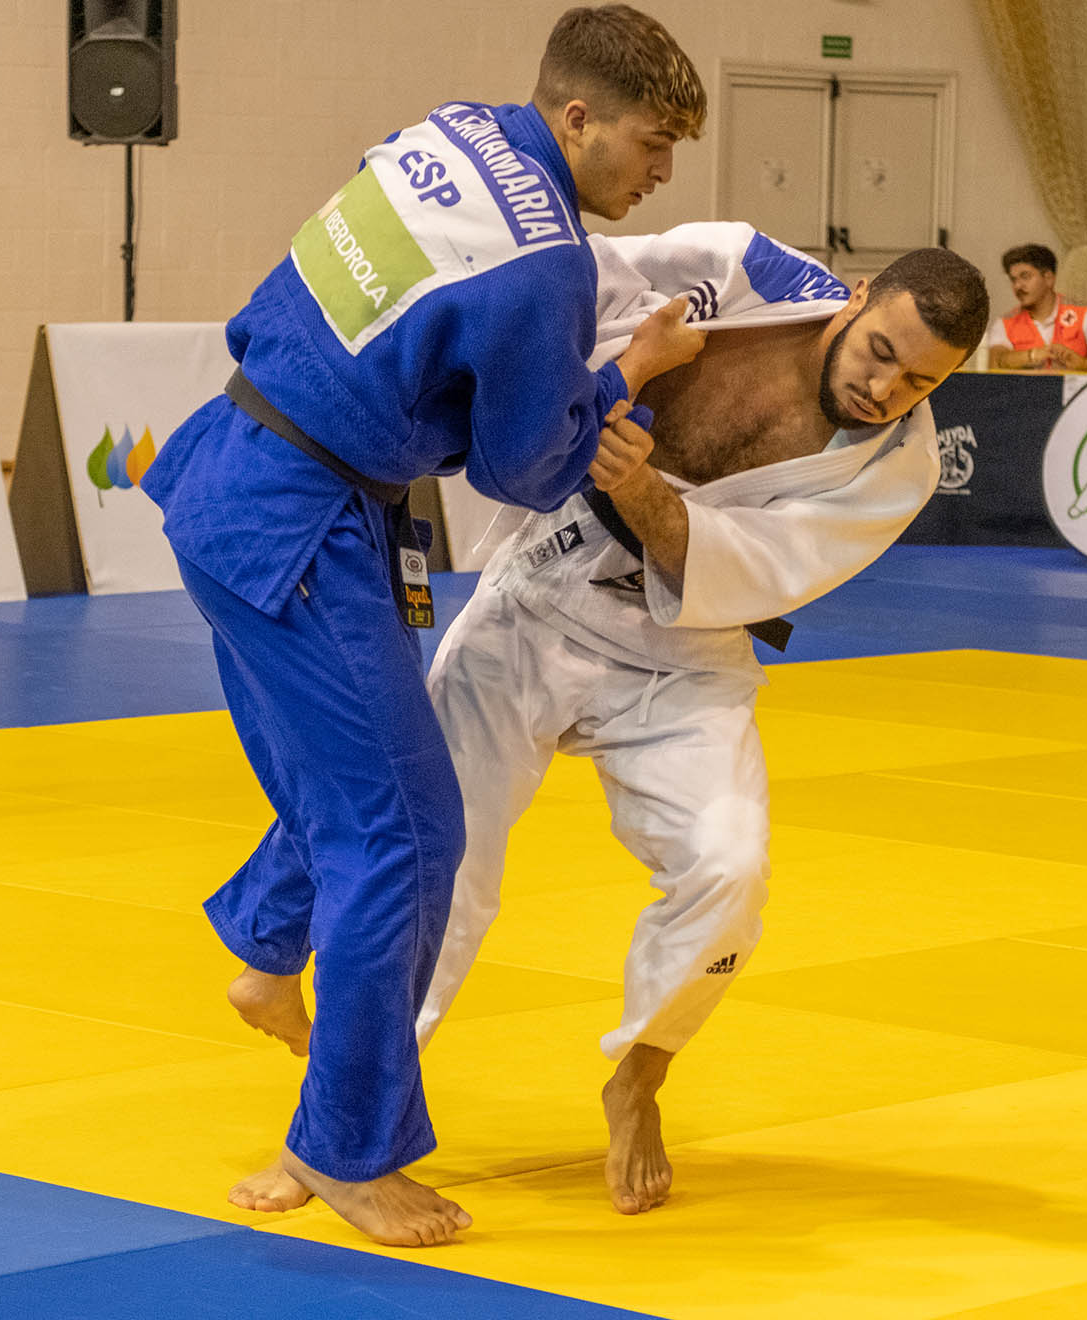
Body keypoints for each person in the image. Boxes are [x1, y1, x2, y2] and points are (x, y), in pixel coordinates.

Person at [138, 5, 707, 1247]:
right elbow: (524, 468)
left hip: (234, 471)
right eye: (652, 142)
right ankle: (347, 1150)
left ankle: (268, 953)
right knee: (403, 830)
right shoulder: (547, 266)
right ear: (578, 117)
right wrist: (630, 377)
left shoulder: (446, 136)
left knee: (353, 789)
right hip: (302, 524)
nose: (662, 172)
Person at [418, 228, 987, 1215]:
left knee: (731, 868)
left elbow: (740, 571)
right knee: (438, 857)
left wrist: (632, 478)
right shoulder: (740, 272)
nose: (886, 390)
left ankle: (641, 1076)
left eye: (920, 383)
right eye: (881, 353)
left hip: (685, 653)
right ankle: (357, 1108)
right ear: (855, 298)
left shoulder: (898, 468)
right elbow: (563, 274)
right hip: (538, 598)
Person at [985, 242, 1087, 371]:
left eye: (1025, 276)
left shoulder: (1085, 313)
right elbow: (994, 364)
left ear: (1048, 278)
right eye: (1013, 279)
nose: (1017, 286)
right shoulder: (1005, 322)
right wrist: (1032, 355)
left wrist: (1083, 364)